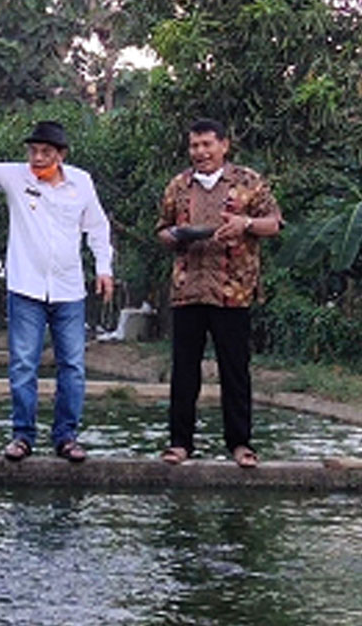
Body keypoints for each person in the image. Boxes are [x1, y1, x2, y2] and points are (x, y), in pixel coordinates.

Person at [0, 106, 114, 462]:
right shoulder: (17, 177)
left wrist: (104, 268)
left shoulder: (82, 183)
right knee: (24, 364)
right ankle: (23, 436)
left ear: (60, 155)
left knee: (72, 365)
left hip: (69, 290)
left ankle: (66, 438)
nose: (37, 157)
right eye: (33, 151)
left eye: (45, 152)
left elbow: (98, 228)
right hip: (26, 288)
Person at [155, 118, 282, 468]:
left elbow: (274, 223)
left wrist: (246, 225)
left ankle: (240, 444)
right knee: (184, 371)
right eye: (195, 145)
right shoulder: (178, 185)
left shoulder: (248, 181)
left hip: (233, 292)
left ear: (224, 145)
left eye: (207, 144)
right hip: (188, 290)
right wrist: (177, 235)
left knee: (235, 370)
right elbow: (162, 230)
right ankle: (180, 444)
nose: (200, 152)